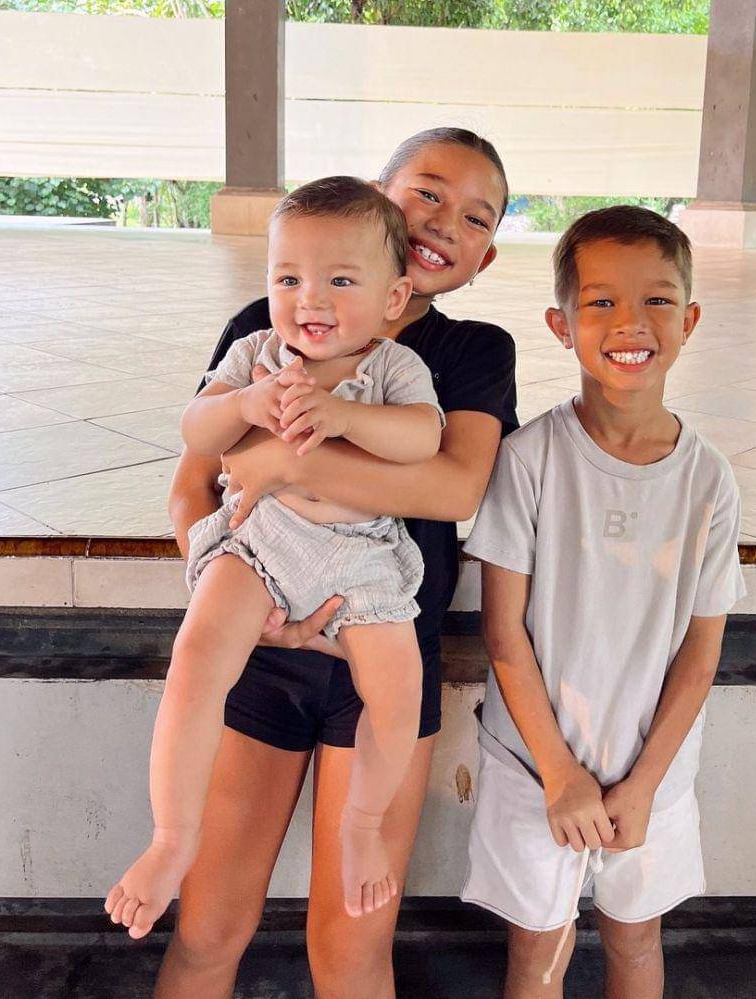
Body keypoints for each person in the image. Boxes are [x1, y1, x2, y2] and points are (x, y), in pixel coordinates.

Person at [147, 129, 518, 999]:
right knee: (208, 928)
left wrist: (289, 462)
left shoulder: (471, 352)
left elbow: (453, 485)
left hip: (383, 654)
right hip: (263, 652)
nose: (443, 223)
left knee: (350, 950)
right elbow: (193, 486)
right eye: (427, 192)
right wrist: (238, 601)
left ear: (486, 257)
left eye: (476, 217)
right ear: (378, 195)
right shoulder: (267, 327)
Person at [105, 175, 448, 937]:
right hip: (259, 540)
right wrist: (241, 404)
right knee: (197, 656)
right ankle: (172, 837)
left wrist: (344, 415)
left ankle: (362, 823)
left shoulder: (393, 367)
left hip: (360, 556)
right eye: (288, 278)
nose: (310, 299)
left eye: (340, 281)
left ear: (393, 299)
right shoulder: (255, 351)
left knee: (398, 690)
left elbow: (422, 438)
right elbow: (197, 429)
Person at [460, 206, 746, 999]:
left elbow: (700, 652)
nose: (630, 322)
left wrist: (645, 782)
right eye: (601, 302)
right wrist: (559, 775)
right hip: (535, 763)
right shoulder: (529, 461)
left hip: (653, 768)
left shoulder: (709, 479)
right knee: (537, 953)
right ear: (562, 325)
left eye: (656, 299)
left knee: (637, 939)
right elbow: (504, 634)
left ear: (688, 320)